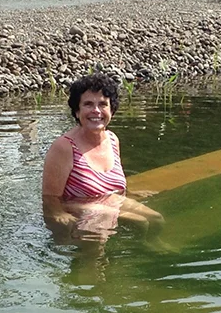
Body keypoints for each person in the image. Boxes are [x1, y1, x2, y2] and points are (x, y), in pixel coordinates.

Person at [42, 73, 162, 239]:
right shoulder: (63, 147)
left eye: (103, 104)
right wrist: (58, 214)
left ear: (111, 110)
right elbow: (50, 197)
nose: (96, 111)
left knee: (156, 219)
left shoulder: (112, 140)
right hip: (77, 205)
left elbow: (115, 182)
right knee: (139, 222)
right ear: (77, 111)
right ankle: (90, 254)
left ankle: (150, 247)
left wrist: (130, 194)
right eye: (88, 104)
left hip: (109, 200)